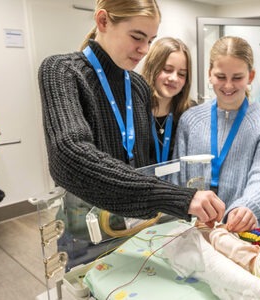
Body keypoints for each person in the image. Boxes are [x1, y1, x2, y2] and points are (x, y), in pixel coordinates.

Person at [37, 0, 226, 266]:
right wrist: (180, 198)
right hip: (86, 231)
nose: (145, 50)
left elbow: (142, 163)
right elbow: (70, 157)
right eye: (137, 37)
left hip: (135, 226)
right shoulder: (61, 71)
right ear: (102, 21)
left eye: (151, 39)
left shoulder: (137, 86)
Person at [174, 36, 260, 233]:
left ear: (251, 75)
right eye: (221, 77)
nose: (228, 86)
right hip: (192, 226)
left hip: (239, 228)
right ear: (209, 74)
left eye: (237, 77)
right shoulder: (190, 119)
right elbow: (177, 174)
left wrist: (247, 206)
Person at [140, 37, 194, 163]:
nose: (174, 78)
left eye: (181, 74)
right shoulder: (134, 110)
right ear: (152, 68)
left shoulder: (189, 112)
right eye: (167, 70)